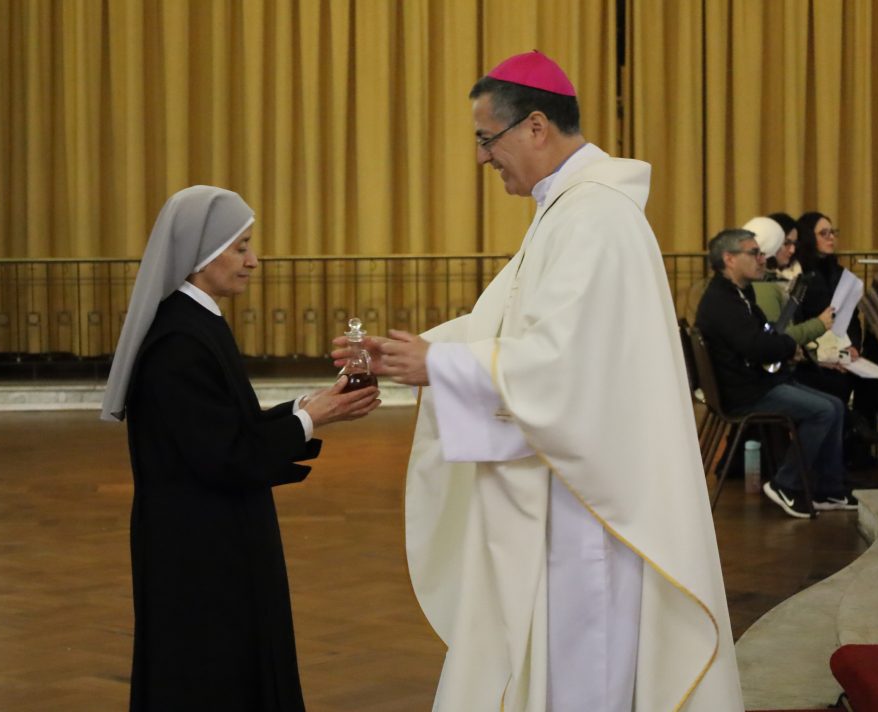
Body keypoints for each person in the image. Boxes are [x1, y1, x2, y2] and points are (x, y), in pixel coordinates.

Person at [335, 50, 741, 711]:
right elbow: (514, 323)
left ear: (534, 126)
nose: (481, 157)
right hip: (567, 485)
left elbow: (567, 363)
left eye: (485, 138)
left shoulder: (595, 215)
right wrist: (416, 352)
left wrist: (440, 365)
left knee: (583, 664)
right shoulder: (570, 209)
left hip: (589, 504)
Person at [101, 186, 380, 711]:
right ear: (201, 253)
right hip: (197, 549)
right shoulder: (178, 341)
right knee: (210, 672)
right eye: (241, 247)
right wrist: (312, 418)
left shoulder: (196, 322)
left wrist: (307, 406)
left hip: (213, 534)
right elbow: (224, 455)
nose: (254, 261)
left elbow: (228, 426)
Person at [694, 228, 857, 517]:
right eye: (754, 253)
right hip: (746, 393)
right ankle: (786, 484)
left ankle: (828, 490)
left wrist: (785, 348)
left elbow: (762, 337)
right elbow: (757, 348)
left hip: (753, 382)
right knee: (824, 411)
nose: (762, 258)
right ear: (729, 259)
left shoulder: (737, 293)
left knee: (834, 405)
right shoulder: (722, 301)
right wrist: (787, 346)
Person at [793, 211, 878, 459]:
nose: (831, 237)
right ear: (808, 238)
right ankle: (851, 433)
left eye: (833, 232)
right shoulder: (799, 274)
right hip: (811, 354)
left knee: (871, 378)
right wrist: (824, 355)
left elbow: (852, 318)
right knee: (837, 382)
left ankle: (857, 446)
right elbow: (797, 322)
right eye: (824, 233)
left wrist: (853, 347)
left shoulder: (838, 272)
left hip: (840, 348)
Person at [745, 215, 832, 346]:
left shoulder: (773, 278)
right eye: (786, 243)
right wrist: (819, 324)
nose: (792, 250)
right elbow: (775, 338)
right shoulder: (762, 284)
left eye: (794, 244)